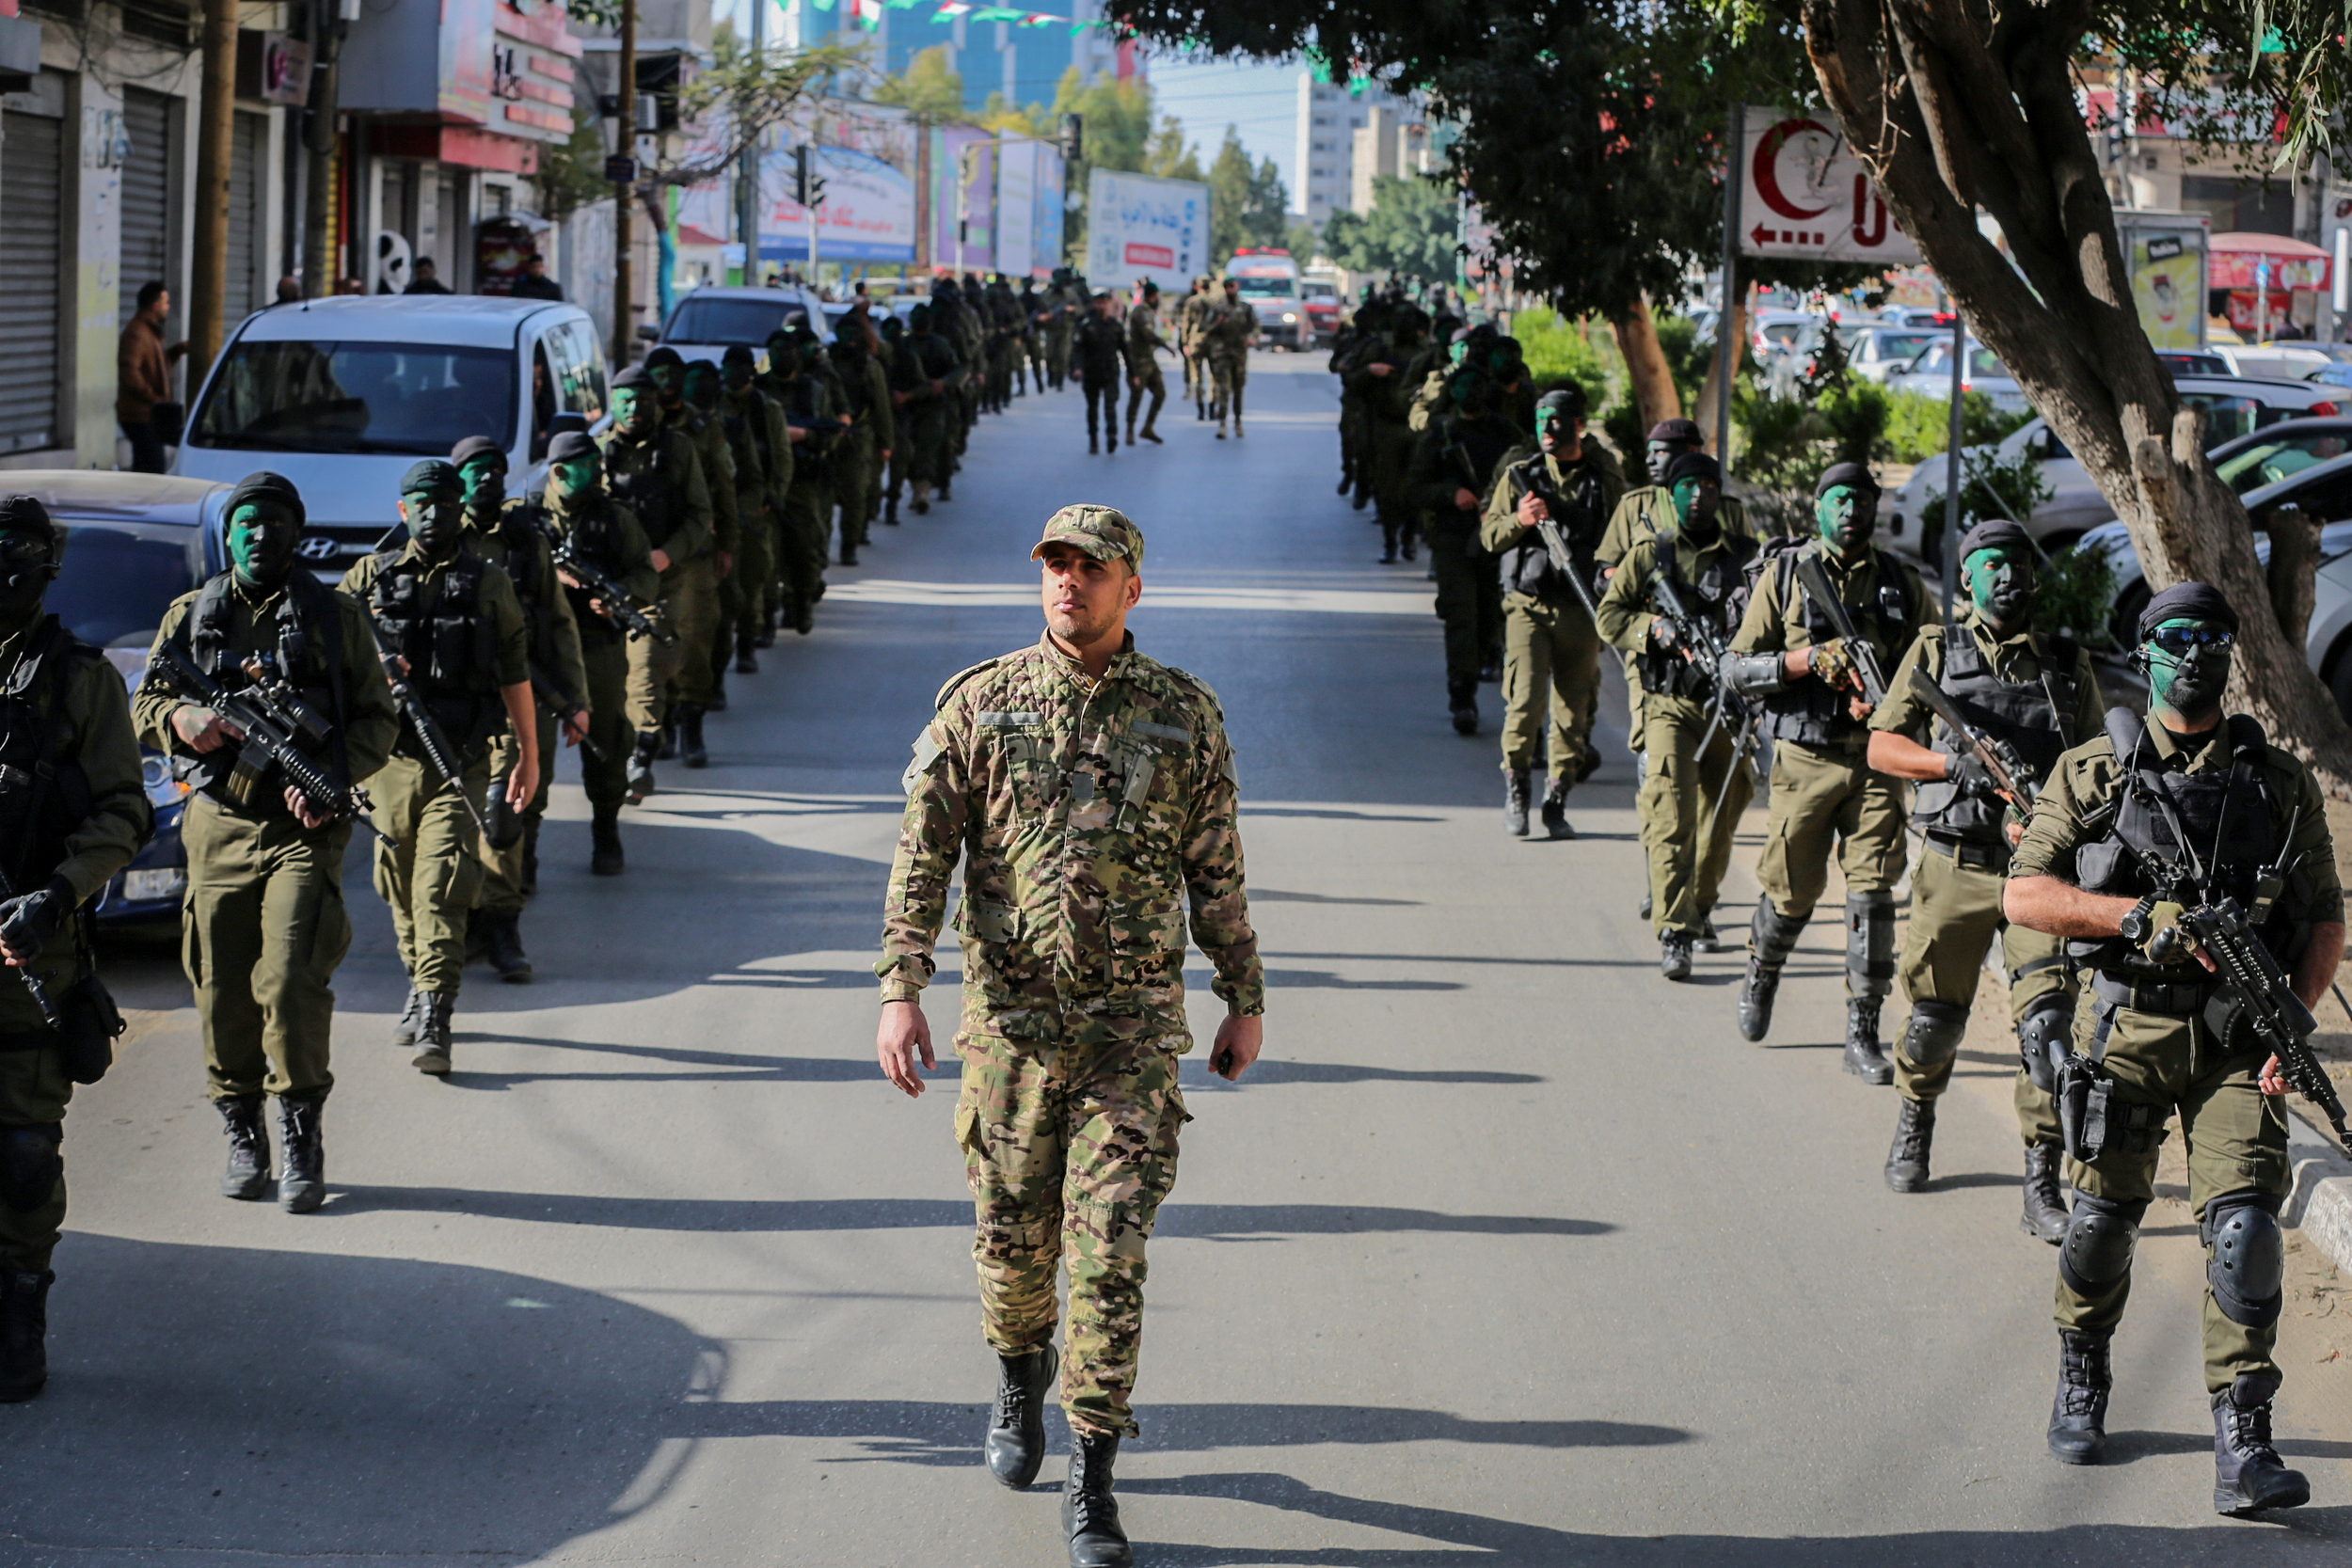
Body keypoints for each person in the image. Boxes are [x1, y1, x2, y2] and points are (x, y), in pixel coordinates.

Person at [875, 503, 1263, 1568]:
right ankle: (1018, 1370)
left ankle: (1093, 1473)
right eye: (1054, 564)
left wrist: (1243, 991)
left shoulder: (1182, 713)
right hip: (1009, 1032)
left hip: (1130, 1037)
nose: (1068, 581)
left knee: (1109, 1254)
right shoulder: (981, 701)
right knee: (1013, 1245)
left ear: (1130, 587)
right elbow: (923, 854)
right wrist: (900, 988)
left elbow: (1216, 865)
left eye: (1090, 567)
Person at [2005, 581, 2340, 1514]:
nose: (2197, 653)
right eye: (2179, 636)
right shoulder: (2090, 772)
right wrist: (2128, 915)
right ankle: (2082, 1369)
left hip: (2237, 1038)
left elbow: (2322, 916)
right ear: (2145, 651)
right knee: (2100, 1221)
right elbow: (2023, 893)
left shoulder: (2278, 782)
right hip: (2125, 1027)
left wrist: (2292, 1019)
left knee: (2245, 1230)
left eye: (2214, 638)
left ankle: (2245, 1437)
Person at [134, 473, 399, 1212]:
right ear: (230, 534)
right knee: (219, 984)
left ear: (296, 534)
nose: (259, 535)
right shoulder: (191, 615)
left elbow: (378, 720)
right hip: (217, 823)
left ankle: (301, 1129)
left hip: (301, 832)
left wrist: (331, 780)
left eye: (275, 523)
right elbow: (144, 700)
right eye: (247, 523)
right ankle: (242, 1127)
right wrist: (179, 719)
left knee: (289, 979)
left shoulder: (336, 617)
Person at [1867, 518, 2098, 1224]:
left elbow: (2098, 769)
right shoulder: (1938, 649)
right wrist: (1950, 765)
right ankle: (1916, 1117)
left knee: (2049, 1030)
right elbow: (1882, 746)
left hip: (2039, 877)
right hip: (1955, 862)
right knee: (1933, 1022)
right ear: (1966, 577)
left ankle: (2041, 1177)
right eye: (1991, 564)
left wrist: (2056, 821)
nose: (2007, 576)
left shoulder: (2065, 664)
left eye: (2018, 565)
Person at [0, 496, 151, 1402]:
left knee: (21, 1150)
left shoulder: (82, 682)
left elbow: (124, 811)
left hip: (32, 951)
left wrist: (57, 894)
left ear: (49, 568)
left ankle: (21, 1310)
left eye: (19, 552)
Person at [1720, 463, 1932, 1074]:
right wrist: (1805, 661)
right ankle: (1763, 969)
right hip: (1804, 760)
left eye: (1861, 500)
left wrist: (1888, 708)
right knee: (1791, 892)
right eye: (1839, 499)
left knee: (1873, 896)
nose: (1850, 511)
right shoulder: (1786, 575)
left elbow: (1932, 671)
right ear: (1818, 508)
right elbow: (1735, 668)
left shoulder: (1901, 582)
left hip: (1876, 763)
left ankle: (1863, 1029)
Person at [342, 461, 535, 1073]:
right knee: (397, 881)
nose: (432, 514)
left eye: (444, 504)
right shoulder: (367, 579)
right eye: (420, 504)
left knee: (442, 883)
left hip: (461, 757)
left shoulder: (489, 582)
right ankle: (417, 977)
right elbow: (328, 665)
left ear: (460, 509)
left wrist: (528, 756)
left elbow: (515, 673)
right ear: (403, 511)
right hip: (388, 761)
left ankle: (435, 1008)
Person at [1594, 452, 1757, 977]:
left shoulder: (1747, 558)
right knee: (1672, 816)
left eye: (1708, 485)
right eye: (1688, 486)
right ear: (1672, 493)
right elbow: (1609, 616)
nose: (1698, 495)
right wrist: (1654, 630)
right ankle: (1675, 931)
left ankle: (1700, 906)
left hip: (1728, 707)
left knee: (1724, 814)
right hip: (1669, 704)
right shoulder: (1651, 554)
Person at [453, 436, 590, 981]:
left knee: (506, 808)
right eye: (475, 469)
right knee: (457, 815)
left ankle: (504, 924)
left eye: (495, 468)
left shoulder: (523, 538)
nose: (487, 477)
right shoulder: (438, 532)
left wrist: (576, 700)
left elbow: (559, 621)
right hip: (453, 697)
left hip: (516, 693)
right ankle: (466, 917)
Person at [1479, 387, 1626, 839]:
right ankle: (1518, 789)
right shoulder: (1520, 475)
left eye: (1557, 419)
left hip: (1581, 609)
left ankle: (1557, 798)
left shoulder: (1602, 477)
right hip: (1529, 605)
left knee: (1572, 712)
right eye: (1541, 419)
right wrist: (1519, 521)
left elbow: (1621, 535)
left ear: (1579, 425)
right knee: (1524, 702)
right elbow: (1490, 537)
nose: (1546, 427)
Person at [537, 432, 660, 875]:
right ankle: (523, 844)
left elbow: (646, 574)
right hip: (539, 654)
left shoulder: (615, 519)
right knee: (529, 749)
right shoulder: (526, 519)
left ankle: (606, 827)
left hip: (597, 648)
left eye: (598, 465)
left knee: (606, 740)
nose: (599, 475)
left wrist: (619, 596)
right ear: (558, 472)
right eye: (587, 468)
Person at [601, 362, 713, 799]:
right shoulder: (595, 453)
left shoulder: (678, 449)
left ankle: (641, 757)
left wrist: (669, 554)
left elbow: (700, 513)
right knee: (611, 677)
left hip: (661, 582)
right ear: (612, 404)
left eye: (643, 401)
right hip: (606, 584)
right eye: (625, 401)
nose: (634, 409)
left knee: (648, 666)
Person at [1407, 367, 1518, 735]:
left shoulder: (1507, 435)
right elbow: (1416, 488)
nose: (1471, 393)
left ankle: (1487, 656)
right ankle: (1462, 694)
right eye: (1464, 387)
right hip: (1454, 538)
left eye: (1477, 386)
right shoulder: (1439, 436)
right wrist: (1450, 494)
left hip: (1500, 539)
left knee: (1490, 616)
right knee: (1461, 616)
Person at [718, 345, 788, 669]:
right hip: (721, 502)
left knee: (753, 576)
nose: (734, 373)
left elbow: (780, 457)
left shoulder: (766, 408)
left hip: (755, 502)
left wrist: (771, 498)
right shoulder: (714, 406)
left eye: (740, 366)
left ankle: (748, 641)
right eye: (729, 366)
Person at [897, 304, 961, 515]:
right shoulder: (904, 344)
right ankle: (917, 488)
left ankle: (926, 490)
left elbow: (957, 369)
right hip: (907, 405)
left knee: (932, 447)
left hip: (934, 405)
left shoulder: (940, 345)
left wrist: (944, 382)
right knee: (909, 451)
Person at [116, 281, 186, 475]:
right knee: (153, 469)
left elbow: (157, 367)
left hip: (148, 415)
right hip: (140, 415)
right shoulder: (137, 333)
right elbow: (129, 371)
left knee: (147, 468)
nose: (168, 307)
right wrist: (152, 397)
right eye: (166, 303)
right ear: (155, 306)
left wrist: (177, 351)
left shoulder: (149, 332)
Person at [1074, 292, 1127, 456]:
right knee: (1092, 408)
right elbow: (1078, 349)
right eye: (1098, 303)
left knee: (1110, 406)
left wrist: (1133, 374)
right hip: (1091, 372)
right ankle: (1093, 439)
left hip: (1111, 372)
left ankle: (1111, 435)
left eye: (1104, 303)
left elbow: (1126, 351)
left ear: (1110, 304)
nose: (1101, 306)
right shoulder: (1086, 325)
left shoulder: (1116, 326)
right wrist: (1077, 368)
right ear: (1094, 304)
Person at [1205, 277, 1256, 438]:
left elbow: (1255, 326)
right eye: (1227, 286)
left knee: (1238, 389)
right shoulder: (1218, 308)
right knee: (1223, 388)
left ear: (1237, 287)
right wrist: (1217, 324)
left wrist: (1253, 337)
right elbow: (1206, 328)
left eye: (1232, 286)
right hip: (1222, 354)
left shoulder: (1246, 308)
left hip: (1239, 353)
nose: (1230, 289)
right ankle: (1222, 423)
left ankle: (1238, 422)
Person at [1122, 281, 1170, 446]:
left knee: (1160, 393)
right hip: (1138, 361)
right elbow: (1148, 334)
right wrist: (1165, 345)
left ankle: (1148, 428)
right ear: (1153, 296)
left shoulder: (1148, 310)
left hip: (1149, 359)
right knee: (1136, 396)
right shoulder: (1141, 311)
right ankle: (1130, 429)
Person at [1179, 277, 1217, 421]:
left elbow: (1186, 324)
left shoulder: (1192, 301)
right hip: (1212, 342)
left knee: (1197, 377)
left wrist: (1185, 343)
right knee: (1213, 377)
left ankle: (1201, 409)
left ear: (1198, 286)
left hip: (1196, 342)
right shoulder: (1216, 301)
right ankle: (1212, 408)